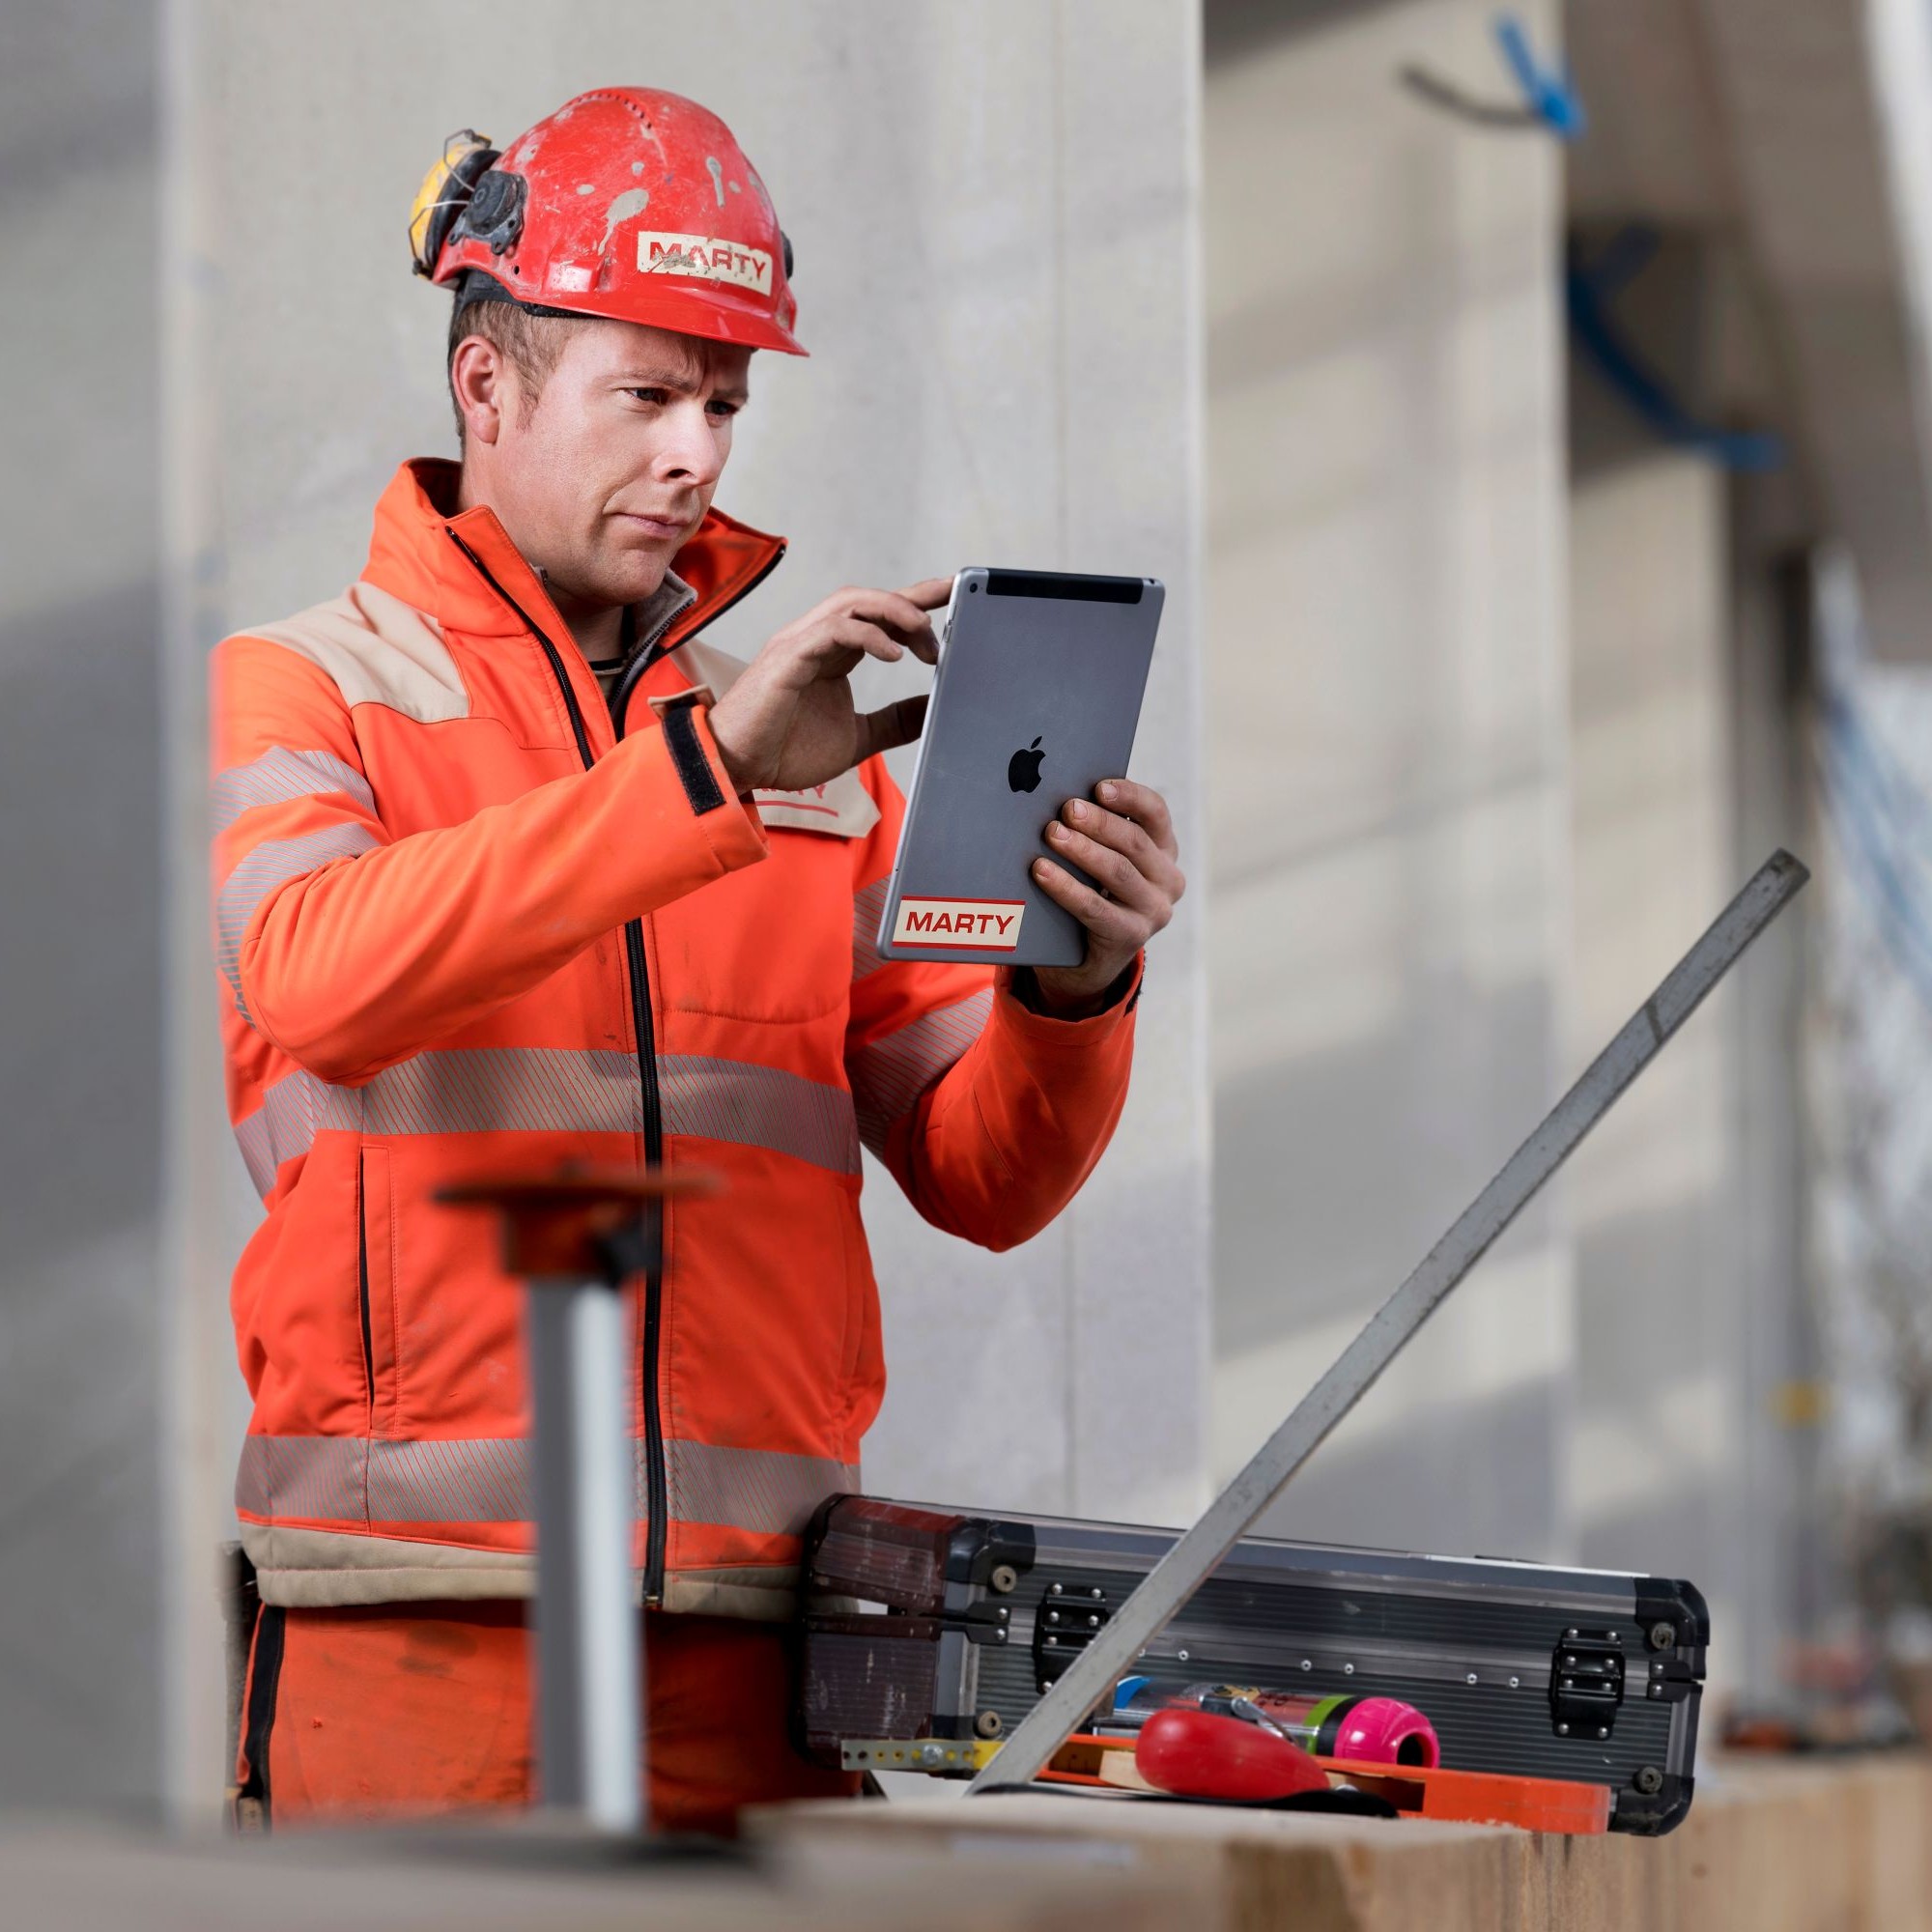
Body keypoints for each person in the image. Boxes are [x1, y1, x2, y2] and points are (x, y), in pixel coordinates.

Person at [215, 88, 1185, 1834]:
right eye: (647, 394)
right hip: (419, 1643)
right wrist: (707, 772)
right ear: (488, 387)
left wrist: (1073, 989)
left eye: (725, 405)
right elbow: (314, 977)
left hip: (765, 1658)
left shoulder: (814, 764)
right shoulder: (311, 689)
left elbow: (983, 1174)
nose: (700, 456)